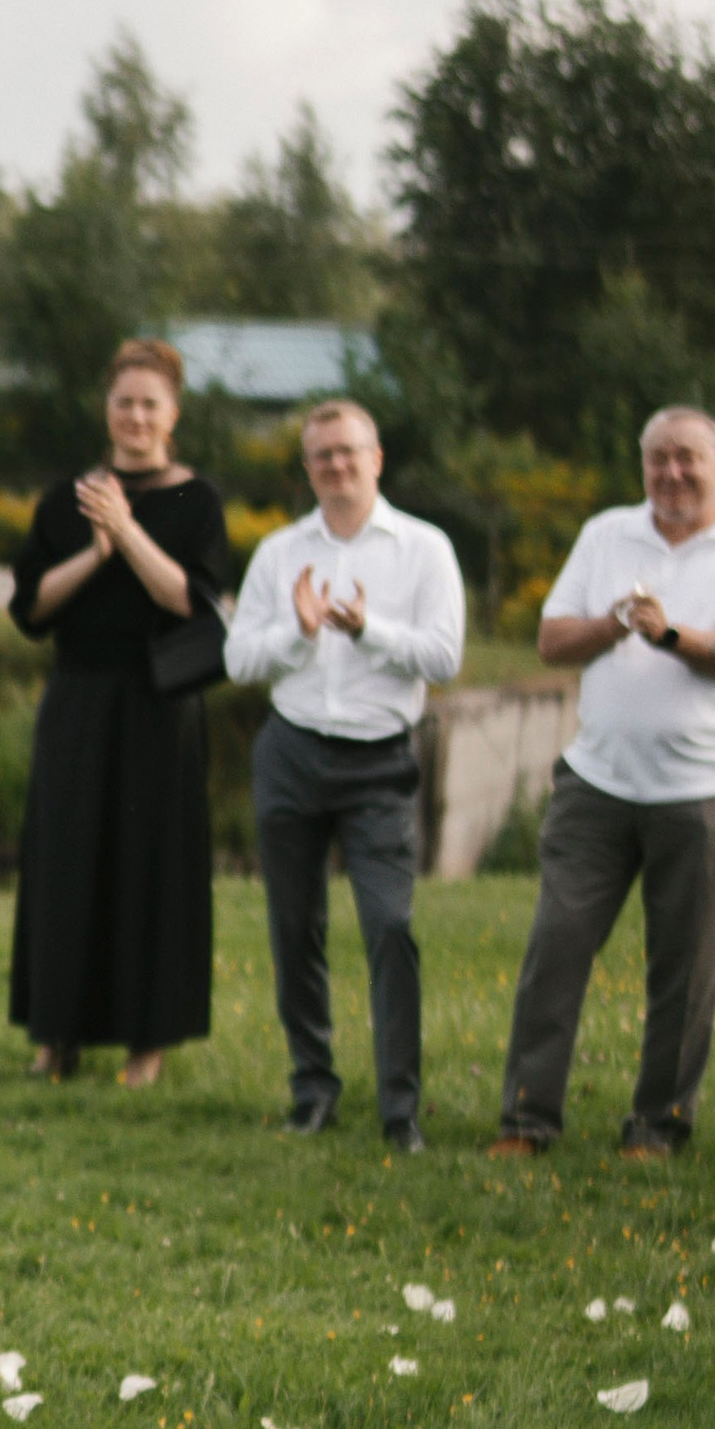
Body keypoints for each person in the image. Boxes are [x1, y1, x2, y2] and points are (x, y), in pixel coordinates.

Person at [493, 407, 715, 1158]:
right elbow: (552, 640)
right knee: (556, 947)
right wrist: (616, 624)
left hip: (708, 789)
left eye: (687, 458)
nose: (671, 473)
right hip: (597, 782)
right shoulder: (607, 533)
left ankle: (657, 1125)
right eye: (656, 459)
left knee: (685, 970)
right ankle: (526, 1119)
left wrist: (669, 634)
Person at [225, 400, 466, 1148]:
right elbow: (239, 659)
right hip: (291, 750)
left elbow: (444, 656)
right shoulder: (279, 552)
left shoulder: (424, 548)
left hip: (378, 760)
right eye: (322, 454)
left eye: (348, 451)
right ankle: (313, 1088)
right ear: (308, 467)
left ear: (376, 458)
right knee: (294, 927)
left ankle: (400, 1108)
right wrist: (299, 633)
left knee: (390, 926)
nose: (336, 465)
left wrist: (368, 629)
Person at [7, 338, 234, 1086]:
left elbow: (190, 599)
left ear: (173, 414)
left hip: (160, 704)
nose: (135, 416)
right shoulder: (65, 499)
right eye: (123, 402)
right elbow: (30, 608)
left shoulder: (197, 501)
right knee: (64, 863)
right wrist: (96, 551)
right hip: (78, 697)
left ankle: (147, 1047)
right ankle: (56, 1038)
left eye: (149, 404)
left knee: (151, 868)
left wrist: (128, 531)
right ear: (106, 409)